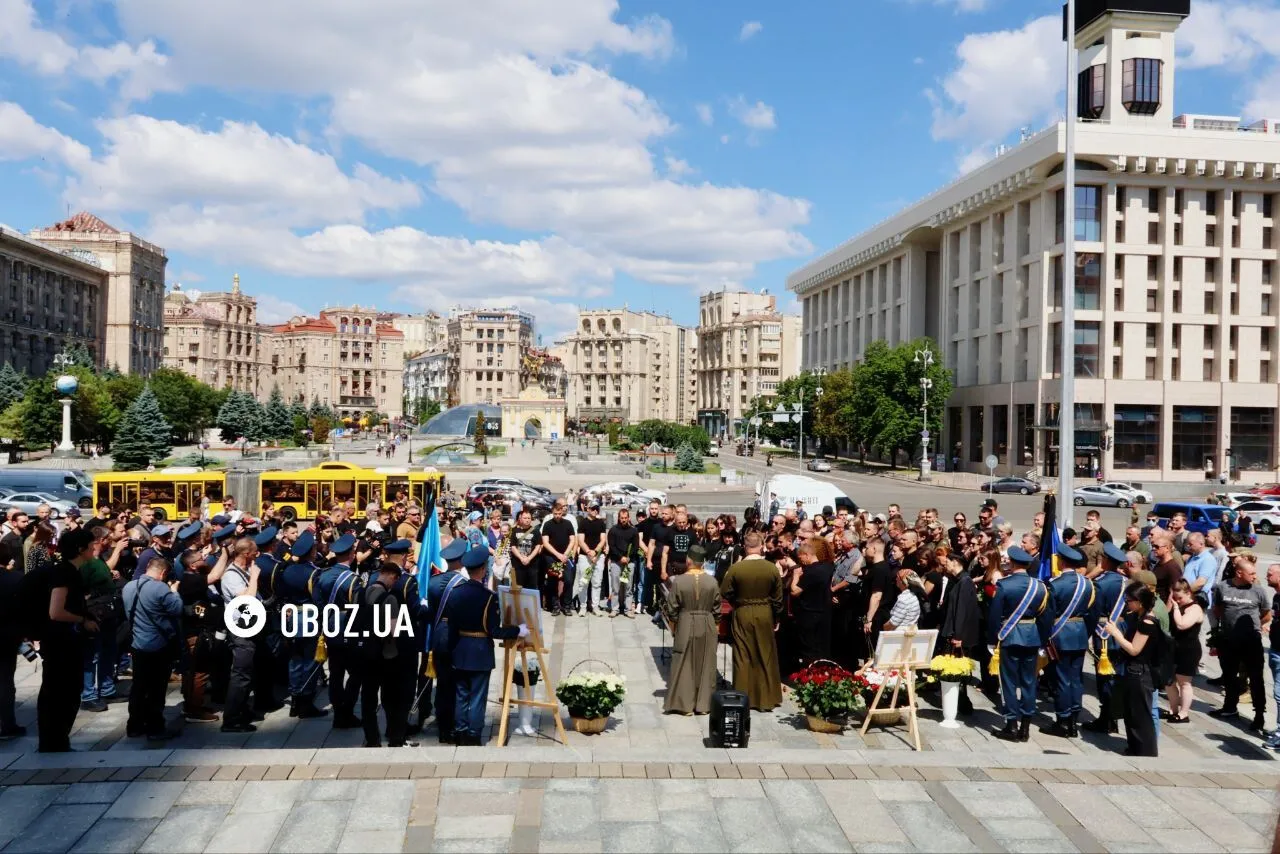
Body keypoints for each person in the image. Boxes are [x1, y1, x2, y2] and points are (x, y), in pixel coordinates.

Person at [442, 547, 526, 745]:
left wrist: (452, 650)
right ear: (482, 570)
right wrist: (517, 630)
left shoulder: (454, 593)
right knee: (478, 697)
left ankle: (461, 731)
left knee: (462, 695)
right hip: (480, 651)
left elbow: (451, 627)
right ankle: (473, 733)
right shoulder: (488, 597)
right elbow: (494, 630)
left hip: (460, 649)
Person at [28, 526, 98, 752]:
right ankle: (53, 740)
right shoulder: (64, 573)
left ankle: (56, 739)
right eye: (91, 546)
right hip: (59, 643)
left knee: (63, 690)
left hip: (63, 642)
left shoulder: (69, 571)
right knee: (60, 691)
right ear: (80, 549)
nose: (94, 549)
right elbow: (55, 612)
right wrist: (82, 620)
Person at [988, 546, 1052, 742]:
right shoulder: (1040, 586)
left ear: (1013, 563)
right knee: (1029, 682)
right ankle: (1025, 728)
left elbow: (994, 616)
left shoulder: (1004, 585)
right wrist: (1041, 639)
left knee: (1008, 682)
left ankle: (1011, 725)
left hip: (1010, 636)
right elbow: (1046, 617)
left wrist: (992, 640)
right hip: (1031, 637)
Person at [359, 540, 419, 748]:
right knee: (393, 696)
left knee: (368, 699)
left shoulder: (362, 590)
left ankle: (372, 739)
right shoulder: (394, 593)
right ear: (393, 576)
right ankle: (395, 736)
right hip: (387, 654)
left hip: (365, 652)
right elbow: (393, 630)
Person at [719, 531, 783, 711]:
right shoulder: (771, 568)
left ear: (745, 547)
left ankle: (742, 695)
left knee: (742, 654)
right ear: (762, 546)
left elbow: (724, 591)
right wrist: (776, 617)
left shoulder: (736, 568)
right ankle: (766, 699)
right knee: (765, 653)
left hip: (743, 611)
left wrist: (737, 601)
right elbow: (778, 598)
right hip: (765, 612)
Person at [122, 556, 183, 740]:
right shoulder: (161, 588)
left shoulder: (128, 587)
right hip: (158, 645)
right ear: (163, 573)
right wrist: (175, 592)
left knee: (139, 687)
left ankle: (134, 726)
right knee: (156, 689)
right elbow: (177, 609)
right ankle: (155, 728)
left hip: (137, 644)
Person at [1210, 552, 1271, 732]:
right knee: (1229, 676)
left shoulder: (1258, 590)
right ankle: (1230, 707)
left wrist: (1253, 626)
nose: (1255, 577)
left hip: (1251, 642)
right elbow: (1218, 609)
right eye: (1251, 574)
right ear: (1239, 573)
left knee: (1256, 679)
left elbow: (1266, 613)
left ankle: (1259, 715)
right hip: (1229, 641)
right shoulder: (1223, 587)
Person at [1041, 543, 1096, 738]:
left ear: (1062, 562)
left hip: (1060, 635)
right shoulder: (1088, 584)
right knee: (1076, 679)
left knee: (1062, 680)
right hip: (1079, 634)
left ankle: (1063, 721)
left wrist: (1044, 638)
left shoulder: (1055, 585)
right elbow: (1091, 614)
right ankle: (1073, 719)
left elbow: (1048, 615)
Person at [1102, 582, 1161, 756]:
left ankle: (1145, 751)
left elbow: (1134, 649)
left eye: (1129, 600)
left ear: (1140, 602)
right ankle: (1135, 747)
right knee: (1131, 713)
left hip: (1141, 673)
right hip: (1133, 671)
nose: (1127, 604)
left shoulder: (1148, 622)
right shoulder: (1138, 617)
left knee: (1140, 715)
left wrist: (1116, 634)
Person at [661, 544, 722, 715]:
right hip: (707, 620)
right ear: (702, 563)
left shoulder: (679, 581)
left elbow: (671, 607)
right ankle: (704, 705)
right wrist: (715, 623)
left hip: (686, 620)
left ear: (688, 560)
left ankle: (684, 704)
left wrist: (674, 624)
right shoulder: (712, 581)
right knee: (706, 662)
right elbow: (717, 607)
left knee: (684, 661)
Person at [314, 534, 364, 730]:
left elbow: (318, 604)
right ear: (351, 555)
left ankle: (338, 711)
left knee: (335, 673)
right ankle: (347, 711)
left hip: (330, 628)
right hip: (348, 629)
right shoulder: (353, 580)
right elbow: (358, 610)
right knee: (356, 673)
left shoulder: (322, 575)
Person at [278, 530, 327, 718]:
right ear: (311, 551)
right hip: (308, 617)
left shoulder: (287, 569)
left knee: (295, 660)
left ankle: (295, 699)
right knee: (310, 661)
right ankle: (306, 701)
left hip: (291, 618)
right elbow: (318, 600)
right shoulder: (313, 573)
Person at [1084, 542, 1130, 735]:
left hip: (1104, 631)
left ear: (1106, 561)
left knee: (1104, 677)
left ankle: (1106, 718)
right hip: (1122, 629)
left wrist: (1086, 633)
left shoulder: (1101, 583)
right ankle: (1113, 716)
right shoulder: (1126, 581)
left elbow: (1093, 612)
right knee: (1117, 674)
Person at [939, 555, 980, 715]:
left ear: (955, 563)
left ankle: (961, 702)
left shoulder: (965, 581)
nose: (945, 565)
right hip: (953, 631)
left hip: (958, 635)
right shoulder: (958, 580)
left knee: (957, 669)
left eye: (947, 562)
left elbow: (962, 611)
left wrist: (958, 635)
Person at [1165, 579, 1205, 725]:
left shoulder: (1194, 608)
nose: (1178, 601)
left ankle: (1184, 713)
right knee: (1169, 681)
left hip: (1189, 649)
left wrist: (1176, 608)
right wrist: (1171, 602)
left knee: (1184, 683)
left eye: (1180, 597)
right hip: (1174, 647)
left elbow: (1182, 624)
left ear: (1188, 593)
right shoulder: (1176, 604)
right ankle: (1173, 709)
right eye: (1175, 597)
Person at [790, 540, 835, 666]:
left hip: (809, 613)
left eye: (801, 558)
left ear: (807, 555)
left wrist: (796, 576)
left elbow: (795, 591)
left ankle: (810, 673)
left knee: (809, 647)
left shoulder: (810, 572)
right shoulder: (828, 567)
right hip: (825, 612)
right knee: (823, 646)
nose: (801, 561)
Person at [540, 501, 577, 616]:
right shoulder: (547, 524)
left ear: (562, 513)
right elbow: (545, 543)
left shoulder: (568, 523)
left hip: (565, 557)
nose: (558, 516)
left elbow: (572, 540)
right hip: (551, 557)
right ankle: (555, 606)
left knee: (569, 580)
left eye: (559, 513)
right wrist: (558, 555)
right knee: (553, 581)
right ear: (552, 512)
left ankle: (566, 605)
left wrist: (565, 554)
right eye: (555, 513)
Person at [606, 508, 640, 618]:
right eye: (622, 518)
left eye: (626, 518)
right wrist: (621, 557)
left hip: (630, 561)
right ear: (619, 518)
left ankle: (628, 609)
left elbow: (635, 546)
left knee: (629, 586)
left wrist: (628, 558)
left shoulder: (633, 531)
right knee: (615, 587)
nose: (624, 520)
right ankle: (614, 609)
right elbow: (612, 546)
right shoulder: (613, 530)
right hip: (616, 561)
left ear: (629, 518)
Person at [577, 503, 608, 614]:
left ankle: (595, 606)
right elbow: (580, 540)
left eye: (597, 509)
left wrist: (595, 552)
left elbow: (603, 540)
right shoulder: (583, 523)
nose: (595, 511)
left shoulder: (601, 523)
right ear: (588, 509)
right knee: (583, 582)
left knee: (597, 582)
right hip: (585, 556)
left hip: (598, 556)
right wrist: (589, 552)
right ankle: (583, 606)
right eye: (593, 509)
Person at [509, 510, 542, 592]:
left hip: (532, 564)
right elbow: (513, 546)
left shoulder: (536, 531)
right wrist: (521, 558)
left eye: (529, 518)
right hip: (518, 564)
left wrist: (529, 558)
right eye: (525, 518)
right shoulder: (514, 531)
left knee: (531, 588)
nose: (527, 520)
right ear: (520, 519)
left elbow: (538, 546)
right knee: (519, 587)